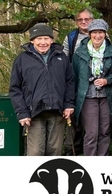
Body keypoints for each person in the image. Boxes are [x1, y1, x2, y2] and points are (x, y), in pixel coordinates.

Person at [9, 23, 75, 156]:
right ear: (32, 40)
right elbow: (15, 88)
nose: (43, 42)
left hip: (58, 112)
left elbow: (70, 82)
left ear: (51, 40)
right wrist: (22, 113)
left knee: (55, 151)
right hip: (33, 113)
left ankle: (52, 177)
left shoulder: (61, 58)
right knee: (35, 153)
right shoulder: (22, 60)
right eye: (39, 39)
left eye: (46, 38)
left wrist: (69, 104)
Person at [72, 19, 112, 156]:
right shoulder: (79, 52)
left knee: (105, 131)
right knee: (91, 133)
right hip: (87, 96)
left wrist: (107, 80)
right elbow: (74, 76)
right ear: (89, 34)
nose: (97, 36)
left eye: (101, 32)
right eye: (94, 33)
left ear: (105, 34)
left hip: (107, 95)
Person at [62, 8, 94, 156]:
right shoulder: (71, 37)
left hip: (95, 85)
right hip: (75, 82)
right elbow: (63, 60)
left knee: (91, 120)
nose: (83, 22)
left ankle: (89, 151)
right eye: (80, 19)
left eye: (86, 19)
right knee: (75, 117)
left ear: (92, 20)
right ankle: (72, 150)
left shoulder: (100, 35)